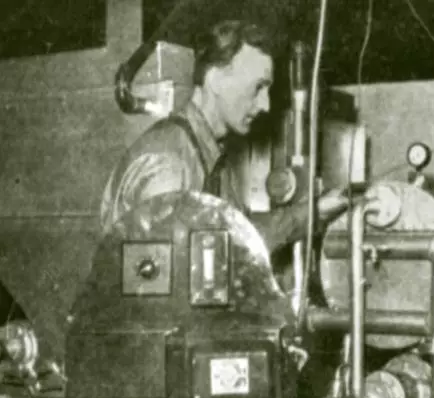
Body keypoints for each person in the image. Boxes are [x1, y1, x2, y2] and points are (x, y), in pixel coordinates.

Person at [100, 19, 349, 251]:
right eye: (258, 87)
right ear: (216, 80)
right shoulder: (170, 164)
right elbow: (162, 287)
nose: (266, 105)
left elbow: (239, 235)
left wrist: (316, 211)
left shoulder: (207, 152)